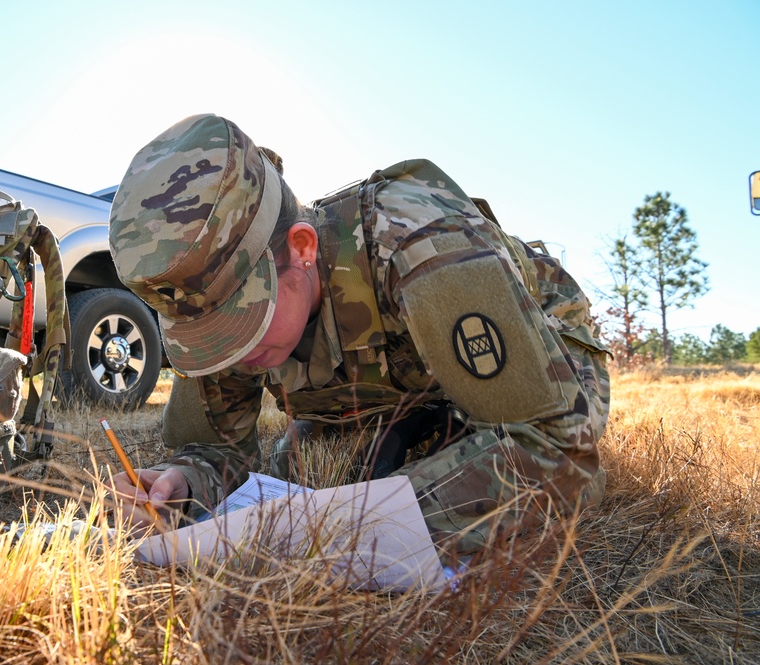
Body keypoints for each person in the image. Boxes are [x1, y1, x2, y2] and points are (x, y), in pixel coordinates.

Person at [107, 114, 610, 554]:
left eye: (243, 319)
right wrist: (183, 483)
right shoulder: (209, 294)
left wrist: (358, 524)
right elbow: (218, 450)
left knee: (421, 478)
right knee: (310, 474)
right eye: (205, 335)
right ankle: (422, 422)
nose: (230, 349)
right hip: (386, 381)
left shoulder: (418, 241)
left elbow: (558, 451)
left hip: (534, 325)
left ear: (301, 249)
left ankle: (445, 419)